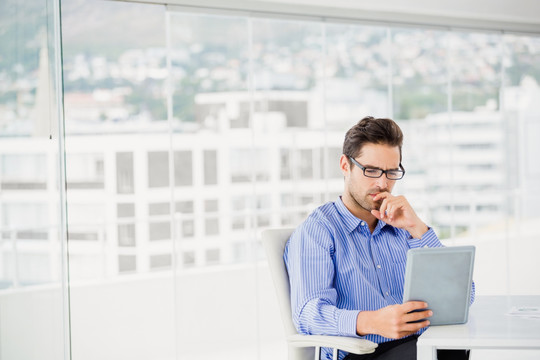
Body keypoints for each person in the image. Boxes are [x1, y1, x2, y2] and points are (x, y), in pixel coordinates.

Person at [284, 116, 474, 360]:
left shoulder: (403, 226)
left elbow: (464, 295)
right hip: (361, 353)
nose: (383, 183)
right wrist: (372, 321)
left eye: (392, 172)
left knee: (455, 348)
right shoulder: (318, 231)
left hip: (416, 345)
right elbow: (308, 315)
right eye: (371, 170)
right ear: (345, 165)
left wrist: (417, 227)